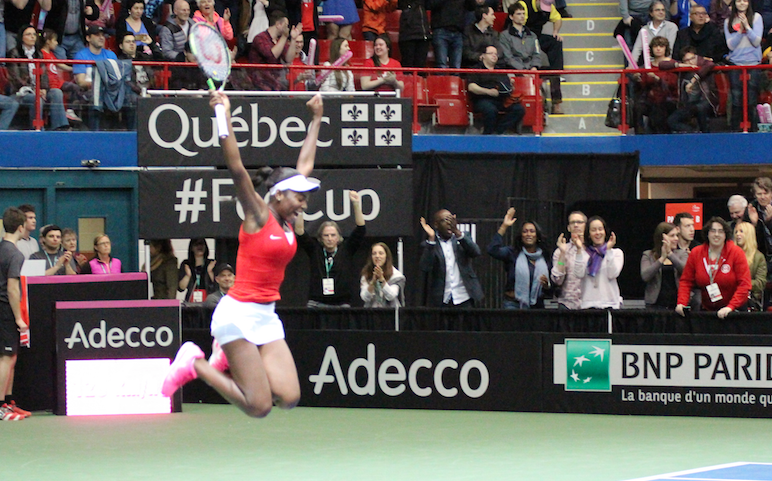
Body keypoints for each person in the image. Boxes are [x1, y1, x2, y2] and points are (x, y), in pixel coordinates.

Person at [161, 92, 324, 419]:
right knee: (259, 406)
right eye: (299, 197)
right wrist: (223, 113)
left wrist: (316, 118)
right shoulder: (258, 215)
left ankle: (225, 357)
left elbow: (304, 165)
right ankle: (195, 362)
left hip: (266, 315)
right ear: (277, 193)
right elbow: (235, 166)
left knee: (289, 397)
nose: (304, 204)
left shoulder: (287, 219)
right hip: (237, 314)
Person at [295, 191, 365, 307]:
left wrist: (356, 204)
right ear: (320, 238)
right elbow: (299, 231)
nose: (330, 239)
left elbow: (361, 229)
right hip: (317, 302)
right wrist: (300, 207)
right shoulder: (315, 250)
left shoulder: (346, 249)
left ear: (339, 237)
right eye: (326, 235)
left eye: (333, 235)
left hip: (341, 303)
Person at [676, 217, 751, 318]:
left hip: (734, 311)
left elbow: (744, 285)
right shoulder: (696, 253)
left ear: (726, 235)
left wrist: (730, 307)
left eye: (720, 231)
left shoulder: (736, 253)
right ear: (707, 233)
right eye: (713, 231)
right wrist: (681, 303)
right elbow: (686, 281)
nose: (716, 234)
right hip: (707, 310)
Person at [0, 208, 31, 421]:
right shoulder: (15, 254)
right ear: (20, 228)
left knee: (11, 356)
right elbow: (12, 288)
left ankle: (8, 402)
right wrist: (19, 317)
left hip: (3, 309)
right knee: (6, 357)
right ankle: (0, 406)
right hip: (5, 309)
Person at [7, 25, 70, 131]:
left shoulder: (39, 53)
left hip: (39, 90)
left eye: (34, 34)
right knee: (36, 99)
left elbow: (44, 75)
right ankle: (37, 128)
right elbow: (15, 77)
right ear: (21, 37)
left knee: (56, 92)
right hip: (22, 92)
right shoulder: (14, 53)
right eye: (28, 34)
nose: (32, 37)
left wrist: (44, 88)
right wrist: (33, 90)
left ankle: (59, 126)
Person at [419, 208, 485, 307]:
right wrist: (431, 239)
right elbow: (425, 267)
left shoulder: (463, 237)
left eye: (451, 220)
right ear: (436, 225)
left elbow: (476, 252)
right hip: (442, 298)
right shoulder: (430, 245)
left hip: (464, 296)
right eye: (445, 220)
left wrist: (457, 232)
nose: (449, 223)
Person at [487, 208, 551, 309]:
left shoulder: (544, 257)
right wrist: (504, 226)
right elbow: (492, 250)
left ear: (537, 236)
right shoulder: (512, 253)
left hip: (537, 306)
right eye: (525, 232)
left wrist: (547, 286)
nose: (528, 234)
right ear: (521, 236)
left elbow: (552, 288)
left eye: (532, 231)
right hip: (513, 305)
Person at [466, 44, 526, 135]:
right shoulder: (475, 69)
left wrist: (510, 87)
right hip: (482, 100)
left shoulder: (500, 71)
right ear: (482, 56)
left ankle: (497, 131)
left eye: (496, 54)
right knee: (490, 110)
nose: (494, 55)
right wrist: (488, 92)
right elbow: (471, 87)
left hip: (500, 99)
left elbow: (507, 88)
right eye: (491, 53)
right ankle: (487, 134)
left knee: (519, 109)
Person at [519, 0, 564, 114]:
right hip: (521, 38)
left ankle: (556, 77)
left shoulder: (549, 7)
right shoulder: (524, 5)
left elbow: (558, 18)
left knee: (556, 42)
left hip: (536, 36)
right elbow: (518, 26)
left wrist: (555, 31)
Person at [724, 0, 763, 131]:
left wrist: (747, 26)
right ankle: (735, 130)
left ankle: (753, 130)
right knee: (736, 100)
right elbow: (730, 45)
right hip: (736, 64)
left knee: (751, 99)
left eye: (745, 1)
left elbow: (757, 41)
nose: (742, 3)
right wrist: (740, 31)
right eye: (739, 1)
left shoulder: (757, 17)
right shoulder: (728, 21)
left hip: (753, 64)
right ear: (734, 3)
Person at [661, 46, 717, 133]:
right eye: (687, 60)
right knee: (671, 121)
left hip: (704, 101)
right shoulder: (682, 68)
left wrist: (693, 80)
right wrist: (681, 65)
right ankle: (693, 133)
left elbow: (710, 64)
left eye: (692, 58)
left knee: (701, 109)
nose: (690, 62)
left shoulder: (702, 63)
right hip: (688, 104)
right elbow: (662, 65)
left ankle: (705, 135)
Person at [72, 25, 119, 131]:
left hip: (109, 93)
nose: (101, 38)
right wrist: (98, 84)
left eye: (103, 35)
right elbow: (81, 82)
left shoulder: (111, 55)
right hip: (89, 93)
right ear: (88, 38)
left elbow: (117, 78)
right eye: (97, 35)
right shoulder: (81, 56)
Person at [632, 36, 679, 134]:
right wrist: (638, 79)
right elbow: (644, 85)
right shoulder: (647, 65)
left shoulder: (672, 64)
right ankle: (639, 136)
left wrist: (656, 78)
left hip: (668, 99)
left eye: (661, 46)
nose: (658, 49)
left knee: (658, 109)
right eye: (655, 46)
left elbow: (672, 84)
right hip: (651, 99)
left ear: (666, 48)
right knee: (637, 107)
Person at [576, 215, 624, 309]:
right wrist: (578, 250)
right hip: (588, 305)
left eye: (600, 229)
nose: (598, 233)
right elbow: (578, 274)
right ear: (589, 234)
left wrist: (608, 250)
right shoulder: (584, 253)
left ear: (605, 232)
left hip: (609, 304)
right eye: (593, 230)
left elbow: (612, 274)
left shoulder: (616, 253)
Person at [249, 11, 301, 91]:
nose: (287, 28)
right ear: (278, 24)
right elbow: (271, 55)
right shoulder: (260, 38)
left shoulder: (279, 40)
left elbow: (289, 58)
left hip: (275, 83)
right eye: (286, 25)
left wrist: (293, 39)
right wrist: (284, 37)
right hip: (260, 83)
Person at [641, 221, 686, 309]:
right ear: (662, 238)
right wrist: (661, 259)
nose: (676, 238)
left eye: (677, 235)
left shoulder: (682, 254)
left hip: (678, 304)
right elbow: (645, 276)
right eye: (672, 236)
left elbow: (686, 271)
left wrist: (670, 255)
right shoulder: (648, 255)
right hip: (655, 304)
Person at [551, 210, 586, 309]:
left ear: (586, 226)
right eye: (572, 222)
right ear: (568, 228)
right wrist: (563, 253)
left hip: (588, 304)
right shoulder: (560, 250)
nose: (576, 225)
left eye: (579, 222)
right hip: (567, 304)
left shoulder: (592, 250)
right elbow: (557, 280)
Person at [630, 1, 678, 66]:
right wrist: (632, 65)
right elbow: (637, 49)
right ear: (651, 13)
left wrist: (665, 64)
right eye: (657, 10)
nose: (661, 12)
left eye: (663, 10)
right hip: (649, 64)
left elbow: (669, 49)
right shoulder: (644, 29)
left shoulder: (672, 27)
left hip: (666, 64)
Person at [360, 242, 405, 307]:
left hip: (390, 312)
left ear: (386, 256)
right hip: (371, 312)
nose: (377, 256)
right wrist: (373, 282)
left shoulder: (396, 275)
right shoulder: (366, 273)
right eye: (374, 254)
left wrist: (381, 280)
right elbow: (365, 297)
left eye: (381, 253)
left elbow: (391, 296)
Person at [428, 0, 471, 69]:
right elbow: (430, 4)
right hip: (441, 30)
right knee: (441, 64)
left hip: (458, 31)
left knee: (456, 67)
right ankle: (441, 80)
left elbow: (471, 7)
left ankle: (454, 80)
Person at [500, 3, 542, 71]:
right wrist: (522, 69)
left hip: (532, 70)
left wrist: (534, 67)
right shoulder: (504, 35)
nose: (522, 16)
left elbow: (537, 54)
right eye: (519, 14)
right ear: (511, 17)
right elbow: (508, 57)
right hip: (513, 70)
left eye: (523, 13)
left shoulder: (532, 35)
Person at [734, 221, 766, 307]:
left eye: (741, 231)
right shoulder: (729, 254)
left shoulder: (758, 257)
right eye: (736, 232)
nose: (737, 234)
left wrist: (742, 284)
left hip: (749, 296)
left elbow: (760, 283)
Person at [178, 238, 216, 302]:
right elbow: (181, 288)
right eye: (196, 244)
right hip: (191, 300)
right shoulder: (186, 264)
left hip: (209, 300)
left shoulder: (211, 263)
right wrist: (188, 275)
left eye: (201, 244)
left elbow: (217, 285)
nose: (199, 246)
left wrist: (210, 272)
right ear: (191, 248)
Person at [398, 0, 431, 68]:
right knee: (408, 65)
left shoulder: (422, 4)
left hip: (423, 35)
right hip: (408, 35)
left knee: (421, 66)